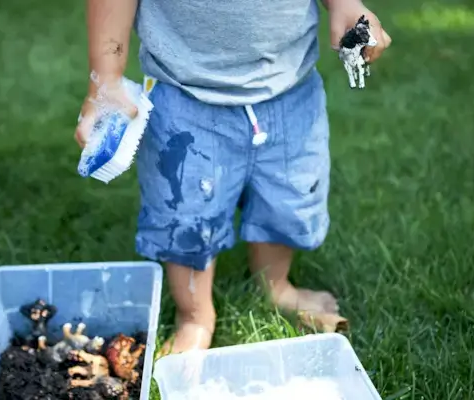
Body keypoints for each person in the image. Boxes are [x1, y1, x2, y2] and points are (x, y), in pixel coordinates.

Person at [75, 0, 391, 356]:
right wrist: (107, 78)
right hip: (185, 95)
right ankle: (195, 315)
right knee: (185, 217)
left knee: (285, 199)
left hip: (289, 89)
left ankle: (274, 286)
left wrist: (345, 5)